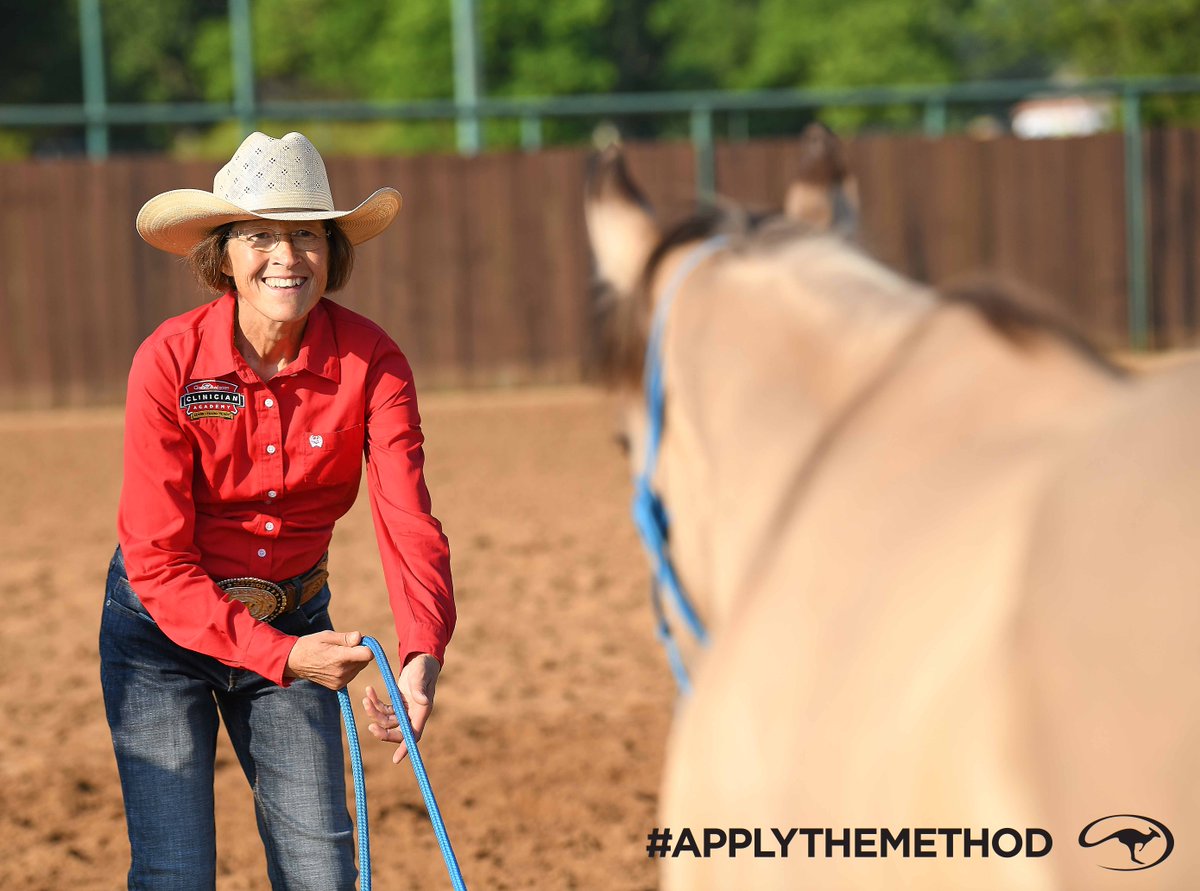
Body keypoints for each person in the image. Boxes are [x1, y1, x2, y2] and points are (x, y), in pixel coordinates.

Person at [101, 130, 455, 889]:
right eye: (260, 235)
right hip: (161, 635)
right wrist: (286, 657)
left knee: (321, 871)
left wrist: (422, 654)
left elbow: (406, 518)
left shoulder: (375, 361)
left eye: (307, 235)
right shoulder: (167, 360)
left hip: (295, 619)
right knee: (173, 872)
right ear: (223, 254)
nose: (286, 257)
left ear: (332, 250)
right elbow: (156, 559)